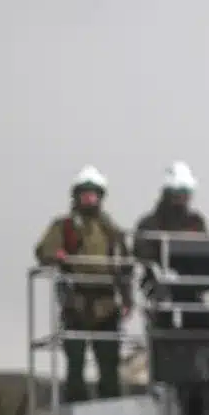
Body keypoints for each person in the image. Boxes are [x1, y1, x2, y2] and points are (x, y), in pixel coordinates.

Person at [34, 166, 132, 402]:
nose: (89, 197)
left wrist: (127, 299)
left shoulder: (111, 229)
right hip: (75, 303)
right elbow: (43, 250)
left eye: (94, 193)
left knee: (109, 363)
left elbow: (124, 264)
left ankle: (111, 409)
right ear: (77, 195)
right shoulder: (64, 226)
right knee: (75, 362)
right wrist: (55, 254)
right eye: (85, 193)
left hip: (106, 303)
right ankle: (74, 409)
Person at [132, 161, 209, 332]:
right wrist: (163, 266)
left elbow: (208, 250)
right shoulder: (150, 223)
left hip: (192, 287)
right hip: (160, 289)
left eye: (186, 192)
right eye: (178, 192)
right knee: (163, 325)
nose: (183, 197)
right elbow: (142, 252)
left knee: (203, 322)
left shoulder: (196, 222)